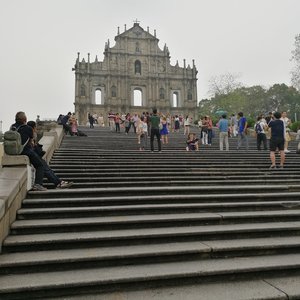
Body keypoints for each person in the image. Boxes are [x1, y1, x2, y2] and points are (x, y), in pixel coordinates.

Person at [11, 112, 73, 191]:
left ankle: (59, 182)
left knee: (43, 163)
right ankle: (38, 184)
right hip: (25, 151)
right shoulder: (27, 128)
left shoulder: (12, 127)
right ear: (24, 119)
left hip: (15, 151)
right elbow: (31, 142)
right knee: (40, 165)